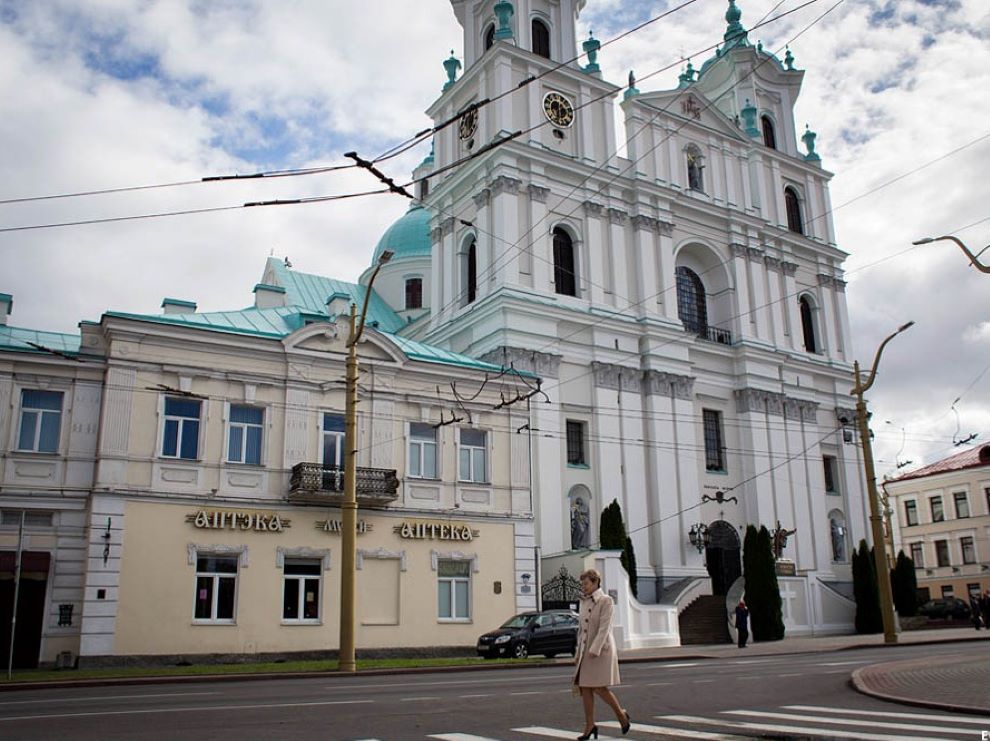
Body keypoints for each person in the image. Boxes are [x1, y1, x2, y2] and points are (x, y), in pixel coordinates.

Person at [573, 568, 631, 739]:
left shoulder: (606, 601)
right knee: (585, 687)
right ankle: (590, 725)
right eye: (582, 584)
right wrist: (578, 652)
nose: (583, 587)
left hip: (600, 650)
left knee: (599, 686)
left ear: (595, 582)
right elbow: (580, 630)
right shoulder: (583, 601)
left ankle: (621, 714)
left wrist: (595, 649)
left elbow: (605, 628)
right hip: (586, 649)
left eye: (586, 583)